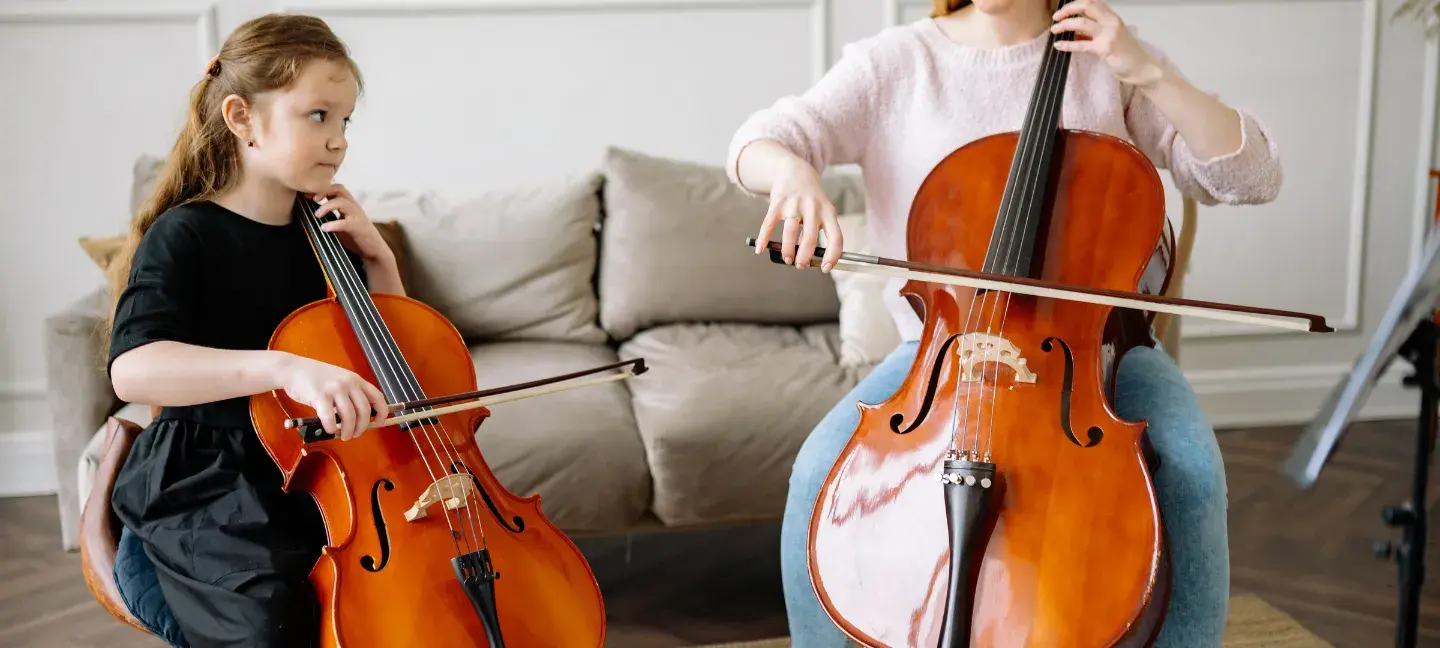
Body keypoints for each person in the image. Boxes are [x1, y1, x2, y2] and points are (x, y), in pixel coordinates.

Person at [726, 0, 1281, 646]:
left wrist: (1149, 71)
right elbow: (756, 142)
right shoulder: (895, 64)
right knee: (820, 471)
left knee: (1189, 468)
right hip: (940, 356)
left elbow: (1254, 177)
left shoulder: (1104, 58)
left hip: (1097, 353)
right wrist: (790, 170)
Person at [103, 13, 401, 648]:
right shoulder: (185, 233)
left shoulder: (325, 237)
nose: (338, 140)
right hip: (210, 475)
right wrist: (282, 367)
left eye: (345, 121)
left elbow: (394, 362)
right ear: (241, 118)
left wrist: (381, 263)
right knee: (275, 621)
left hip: (316, 466)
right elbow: (132, 367)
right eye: (317, 115)